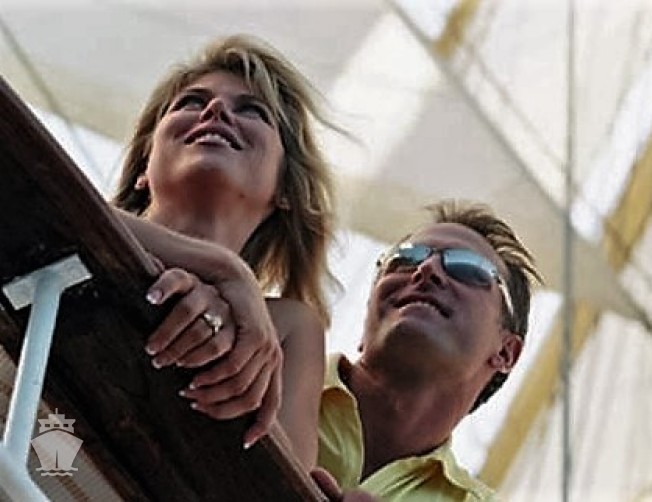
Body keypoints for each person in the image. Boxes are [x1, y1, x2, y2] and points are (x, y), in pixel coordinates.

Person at [109, 34, 336, 467]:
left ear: (286, 191)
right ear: (143, 168)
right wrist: (223, 268)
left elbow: (283, 487)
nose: (215, 110)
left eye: (252, 111)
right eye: (191, 103)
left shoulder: (290, 328)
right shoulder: (56, 217)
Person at [311, 200, 541, 501]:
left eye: (467, 268)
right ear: (368, 313)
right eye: (404, 259)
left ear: (506, 352)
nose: (426, 268)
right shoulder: (268, 373)